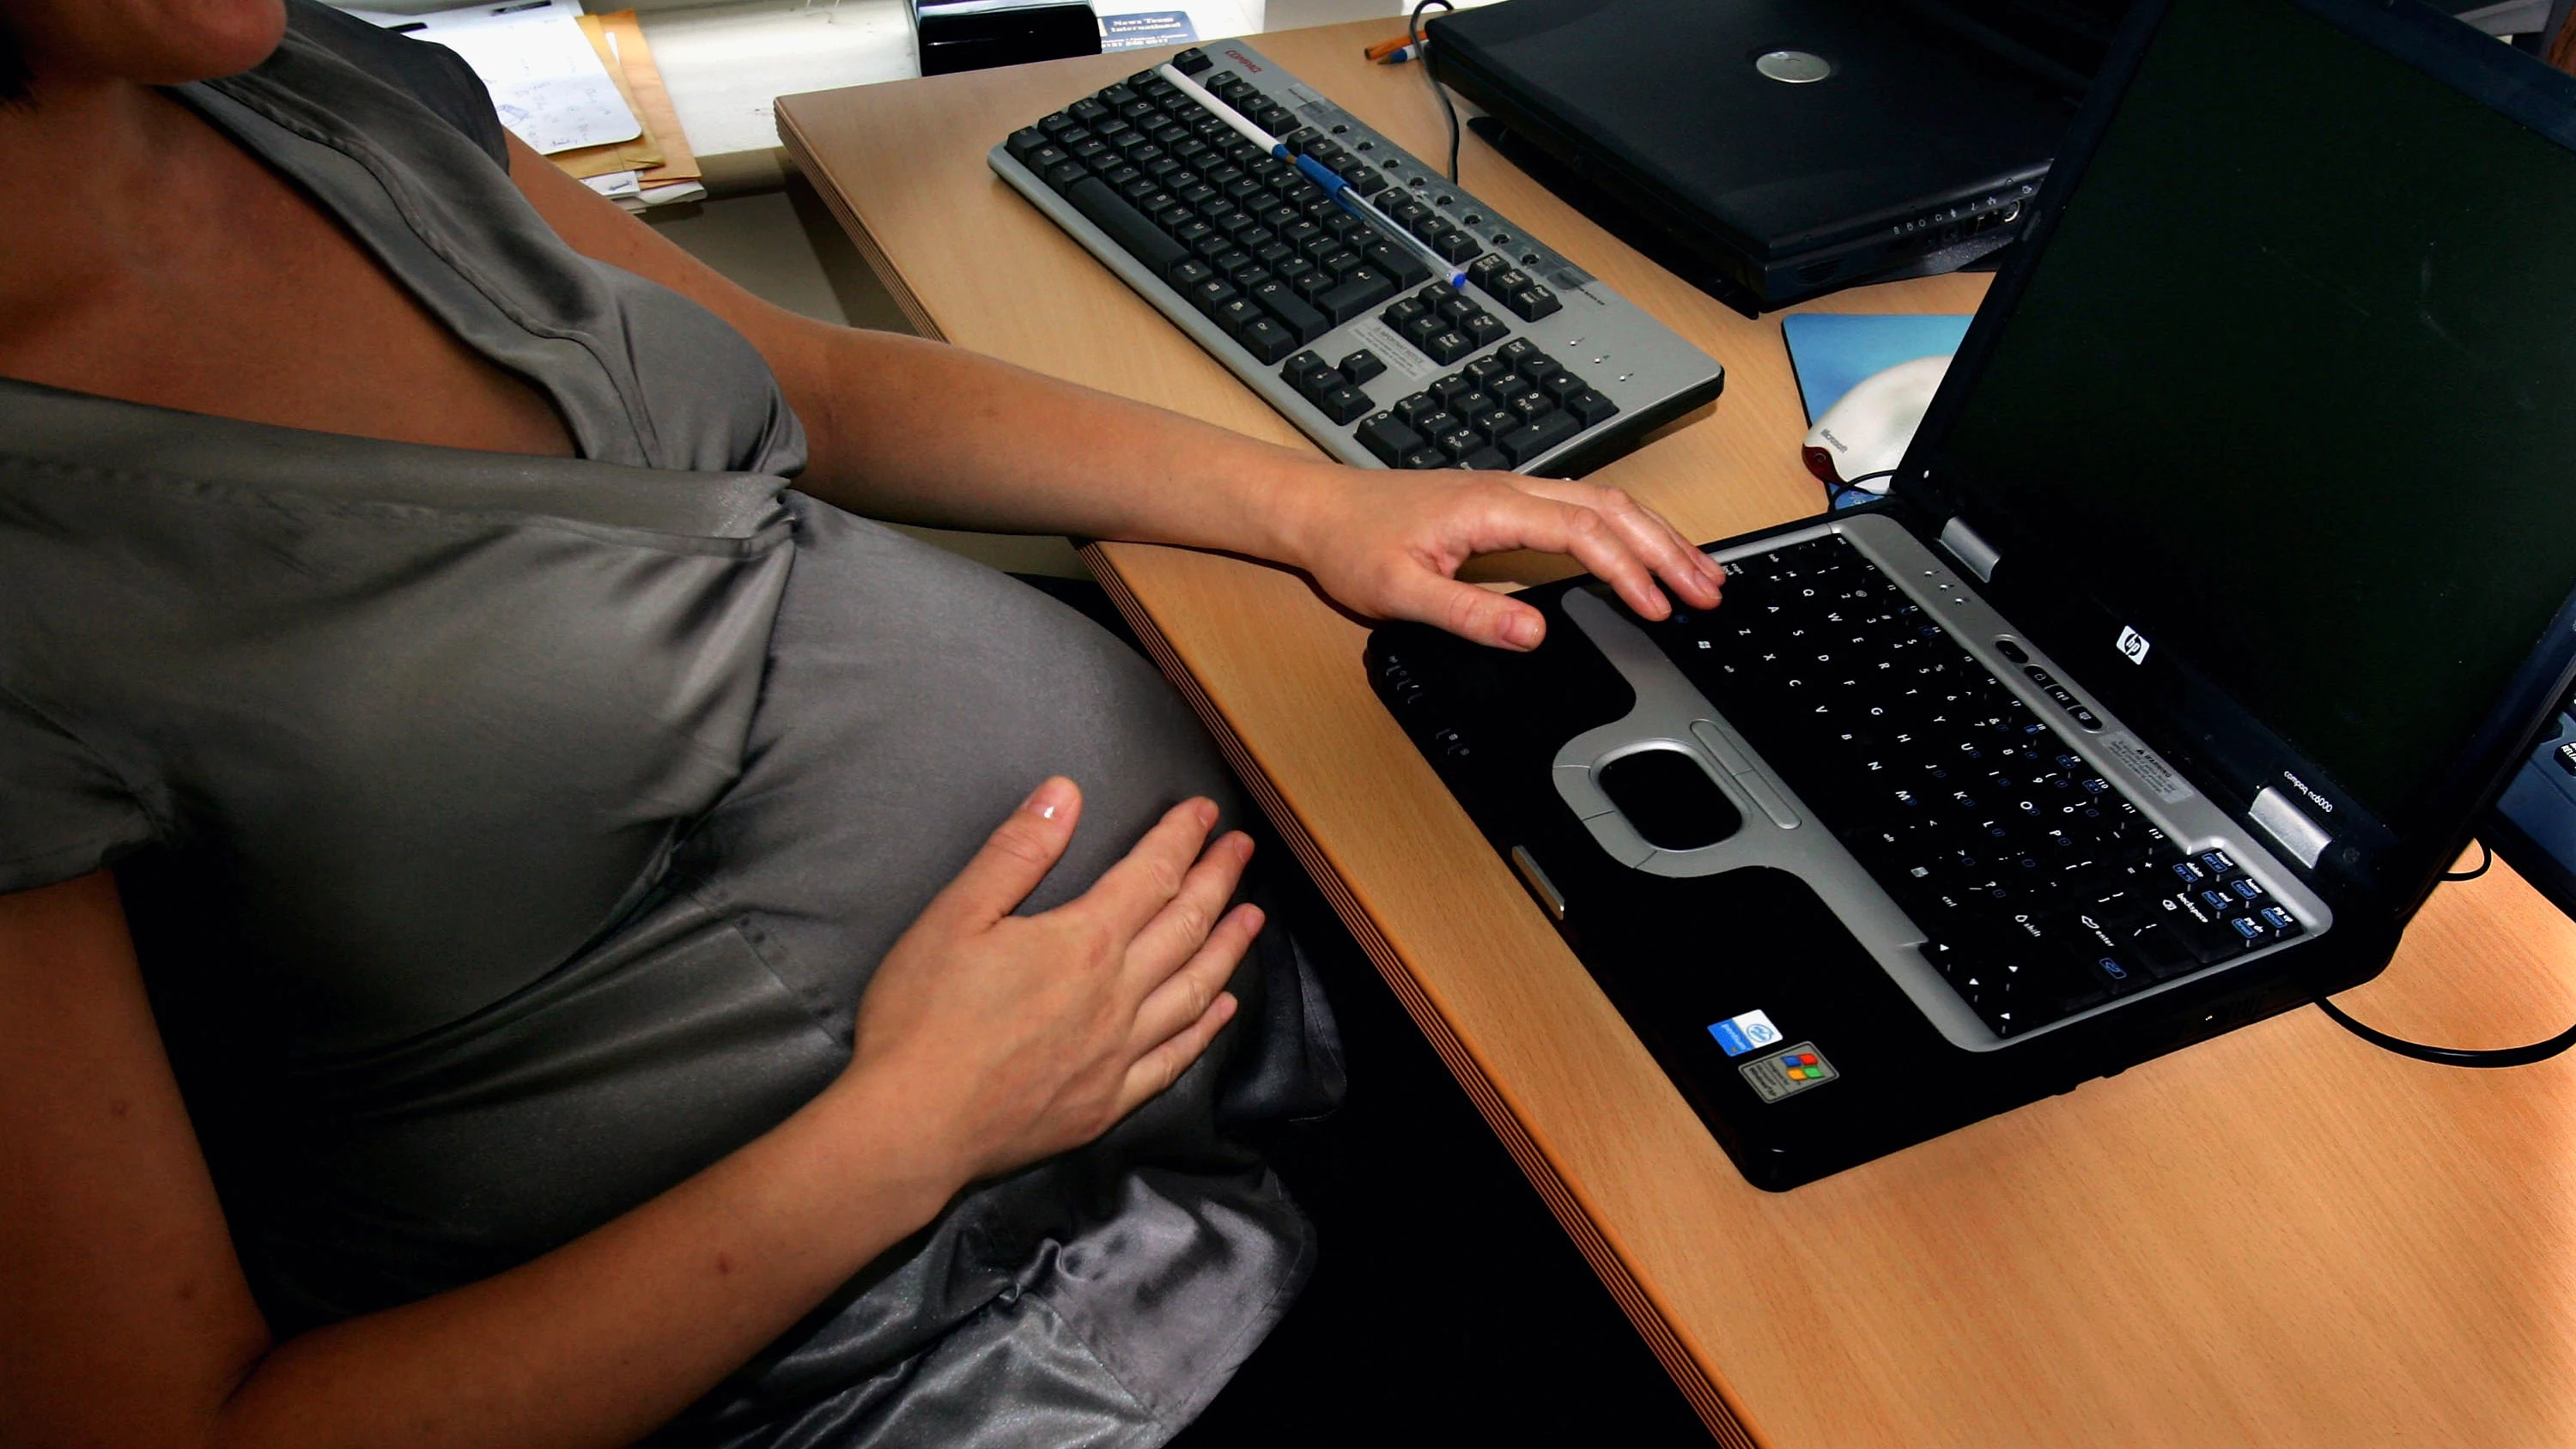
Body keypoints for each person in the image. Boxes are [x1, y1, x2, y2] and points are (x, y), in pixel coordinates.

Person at [0, 3, 1725, 1446]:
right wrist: (907, 1132)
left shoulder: (297, 80)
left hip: (1196, 1066)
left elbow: (798, 382)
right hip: (935, 1340)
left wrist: (1312, 507)